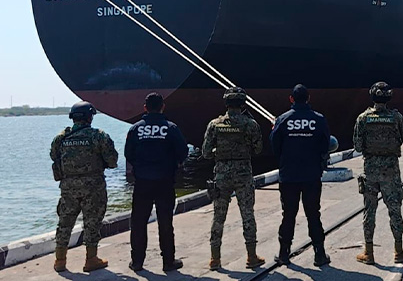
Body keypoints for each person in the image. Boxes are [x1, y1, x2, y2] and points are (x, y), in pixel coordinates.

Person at [50, 101, 118, 273]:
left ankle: (60, 261)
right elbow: (112, 161)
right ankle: (91, 259)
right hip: (93, 187)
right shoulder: (98, 136)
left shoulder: (61, 137)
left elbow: (53, 155)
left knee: (64, 223)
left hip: (68, 187)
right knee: (92, 222)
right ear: (90, 117)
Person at [202, 87, 265, 270]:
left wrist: (218, 152)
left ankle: (215, 259)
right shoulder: (250, 124)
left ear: (226, 103)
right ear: (243, 103)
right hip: (243, 174)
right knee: (247, 214)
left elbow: (206, 152)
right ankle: (251, 256)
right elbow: (259, 149)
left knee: (218, 216)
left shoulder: (214, 124)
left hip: (221, 175)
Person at [125, 92, 188, 272]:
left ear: (145, 108)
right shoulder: (171, 128)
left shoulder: (135, 129)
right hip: (165, 181)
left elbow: (128, 153)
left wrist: (141, 166)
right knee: (165, 222)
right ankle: (168, 262)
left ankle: (137, 261)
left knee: (138, 222)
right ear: (163, 106)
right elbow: (183, 152)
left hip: (143, 182)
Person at [270, 84, 332, 267]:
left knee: (288, 214)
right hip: (311, 175)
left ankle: (283, 254)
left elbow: (275, 145)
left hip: (289, 175)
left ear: (291, 99)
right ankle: (319, 255)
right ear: (309, 98)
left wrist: (285, 160)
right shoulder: (319, 119)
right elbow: (325, 144)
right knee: (313, 214)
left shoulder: (282, 119)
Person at [353, 82, 403, 265]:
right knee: (394, 210)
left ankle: (368, 253)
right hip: (391, 172)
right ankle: (399, 251)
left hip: (370, 171)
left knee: (369, 212)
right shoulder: (397, 118)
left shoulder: (363, 118)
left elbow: (356, 146)